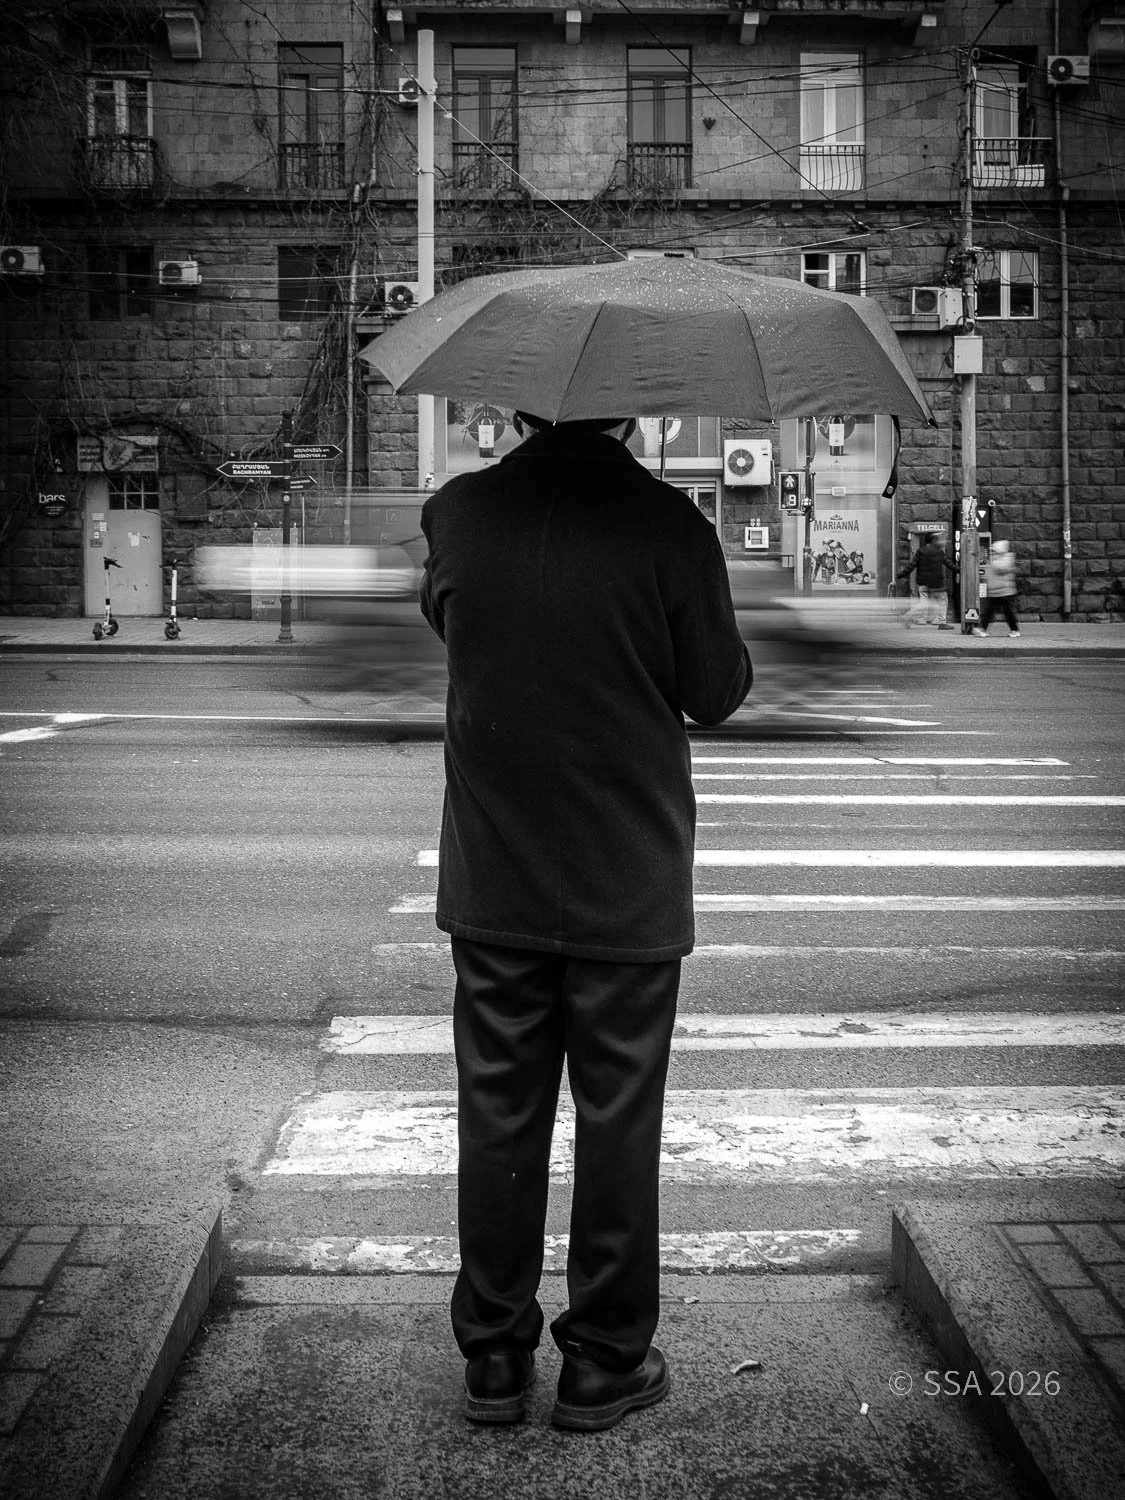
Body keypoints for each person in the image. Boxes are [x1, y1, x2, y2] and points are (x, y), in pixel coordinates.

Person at [419, 410, 751, 1432]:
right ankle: (604, 1362)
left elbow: (452, 625)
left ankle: (494, 1361)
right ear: (632, 415)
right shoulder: (670, 526)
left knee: (498, 1115)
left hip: (498, 875)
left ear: (521, 408)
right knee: (618, 1125)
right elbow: (716, 693)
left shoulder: (460, 513)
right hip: (625, 877)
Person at [898, 533, 951, 625]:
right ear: (933, 541)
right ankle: (940, 620)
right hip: (936, 583)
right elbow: (949, 564)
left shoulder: (920, 551)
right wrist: (959, 569)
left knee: (924, 603)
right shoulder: (939, 551)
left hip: (923, 582)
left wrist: (902, 574)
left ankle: (920, 619)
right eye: (938, 539)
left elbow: (911, 565)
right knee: (942, 600)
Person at [973, 538, 1020, 636]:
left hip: (1005, 591)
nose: (992, 553)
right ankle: (982, 628)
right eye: (991, 551)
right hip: (995, 591)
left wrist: (993, 561)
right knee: (990, 611)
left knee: (1007, 612)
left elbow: (1000, 568)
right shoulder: (995, 559)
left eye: (994, 551)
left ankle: (1015, 630)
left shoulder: (1006, 559)